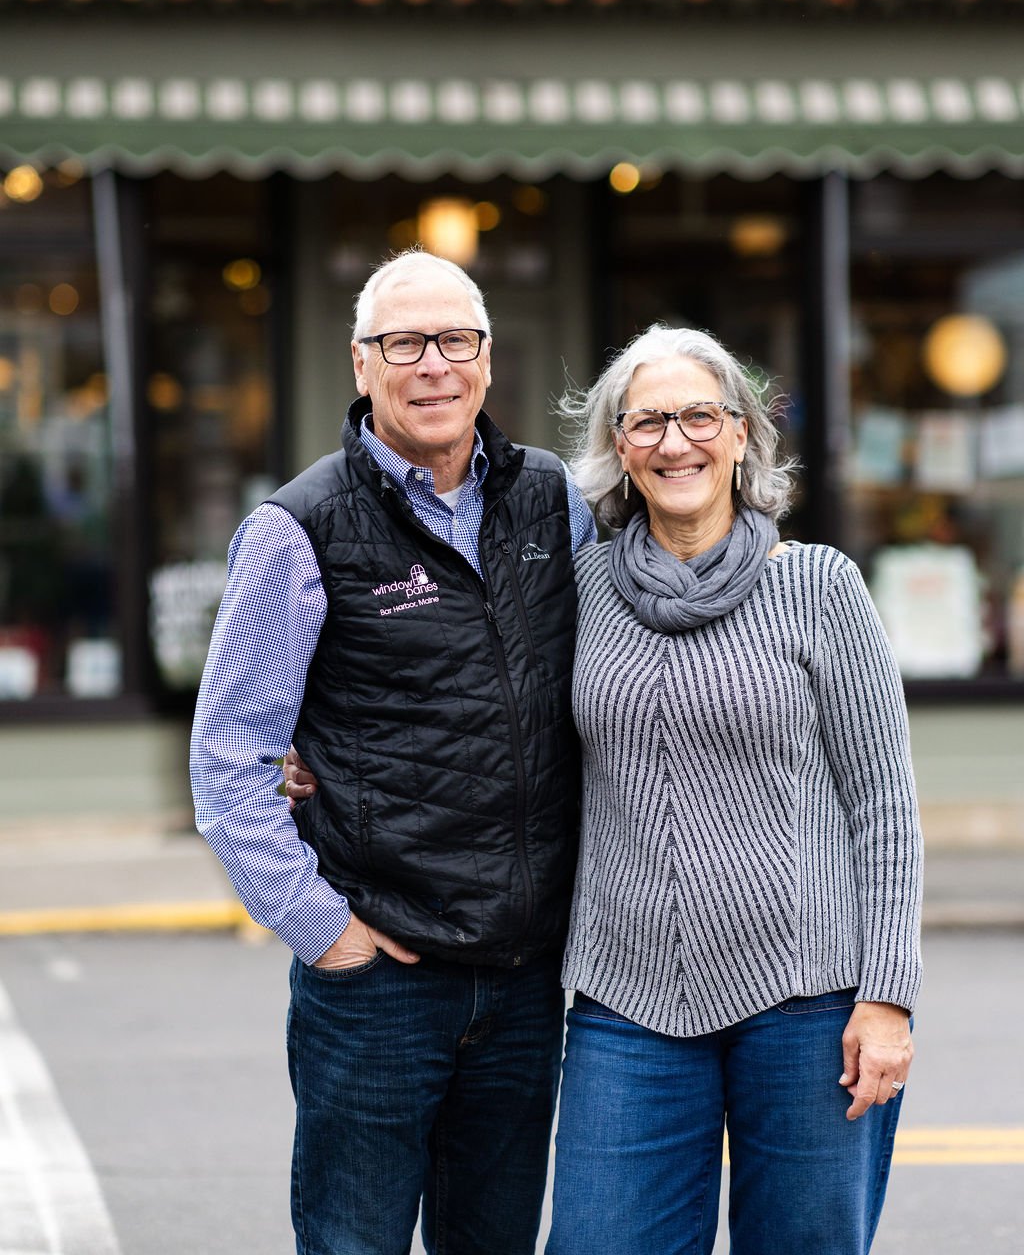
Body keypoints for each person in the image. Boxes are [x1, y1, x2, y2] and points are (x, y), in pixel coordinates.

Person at [190, 248, 595, 1255]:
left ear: (488, 360)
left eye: (454, 340)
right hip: (380, 986)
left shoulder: (556, 502)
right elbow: (230, 761)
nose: (433, 366)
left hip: (522, 979)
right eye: (402, 343)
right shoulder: (300, 527)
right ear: (361, 364)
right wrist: (324, 932)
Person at [543, 324, 923, 1255]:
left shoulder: (819, 587)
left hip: (809, 1003)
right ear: (619, 450)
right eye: (647, 423)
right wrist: (322, 759)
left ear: (743, 434)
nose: (676, 442)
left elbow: (885, 808)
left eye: (700, 416)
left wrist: (888, 997)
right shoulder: (578, 588)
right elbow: (488, 723)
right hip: (625, 1001)